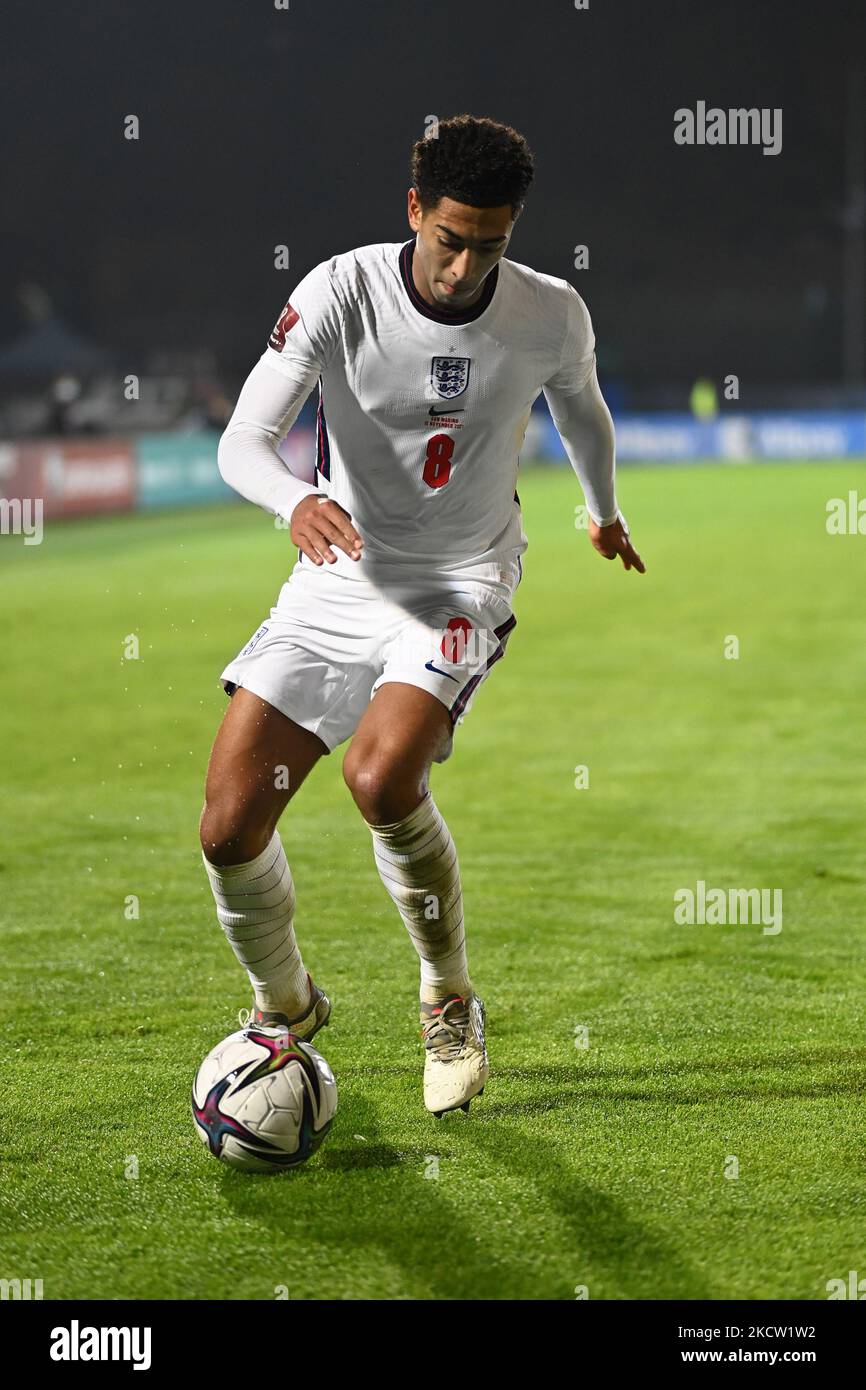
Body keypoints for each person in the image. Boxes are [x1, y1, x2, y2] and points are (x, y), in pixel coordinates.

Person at [200, 114, 645, 1118]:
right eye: (450, 239)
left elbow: (581, 411)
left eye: (490, 243)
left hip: (459, 579)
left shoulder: (547, 312)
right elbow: (243, 439)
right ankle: (286, 1007)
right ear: (413, 212)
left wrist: (603, 513)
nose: (463, 266)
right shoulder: (338, 292)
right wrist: (291, 499)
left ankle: (446, 994)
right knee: (228, 826)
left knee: (380, 775)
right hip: (340, 572)